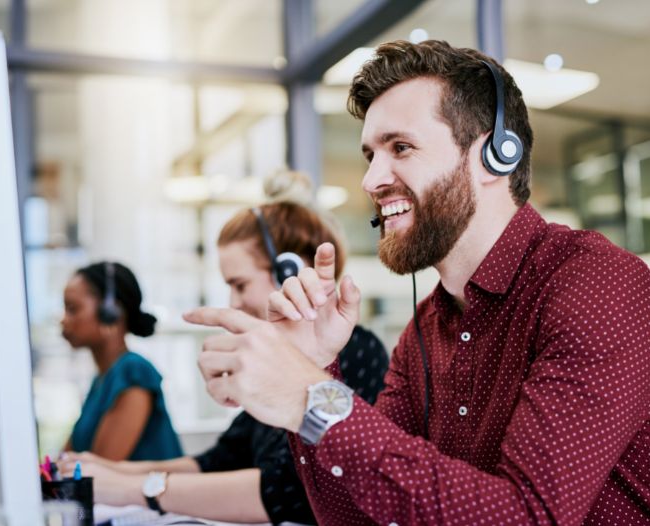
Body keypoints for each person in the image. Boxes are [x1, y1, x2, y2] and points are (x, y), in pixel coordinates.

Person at [184, 39, 650, 525]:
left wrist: (313, 398)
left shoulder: (598, 285)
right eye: (370, 155)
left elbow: (526, 517)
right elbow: (354, 519)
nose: (370, 180)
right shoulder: (425, 329)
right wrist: (317, 369)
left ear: (495, 154)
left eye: (400, 147)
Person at [60, 197, 389, 524]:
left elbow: (285, 492)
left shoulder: (354, 351)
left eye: (240, 285)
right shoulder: (279, 361)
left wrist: (135, 488)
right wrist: (106, 471)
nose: (234, 302)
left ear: (290, 272)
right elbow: (219, 460)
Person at [62, 261, 183, 461]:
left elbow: (99, 469)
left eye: (72, 309)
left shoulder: (133, 371)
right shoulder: (101, 380)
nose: (64, 320)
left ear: (111, 312)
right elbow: (64, 462)